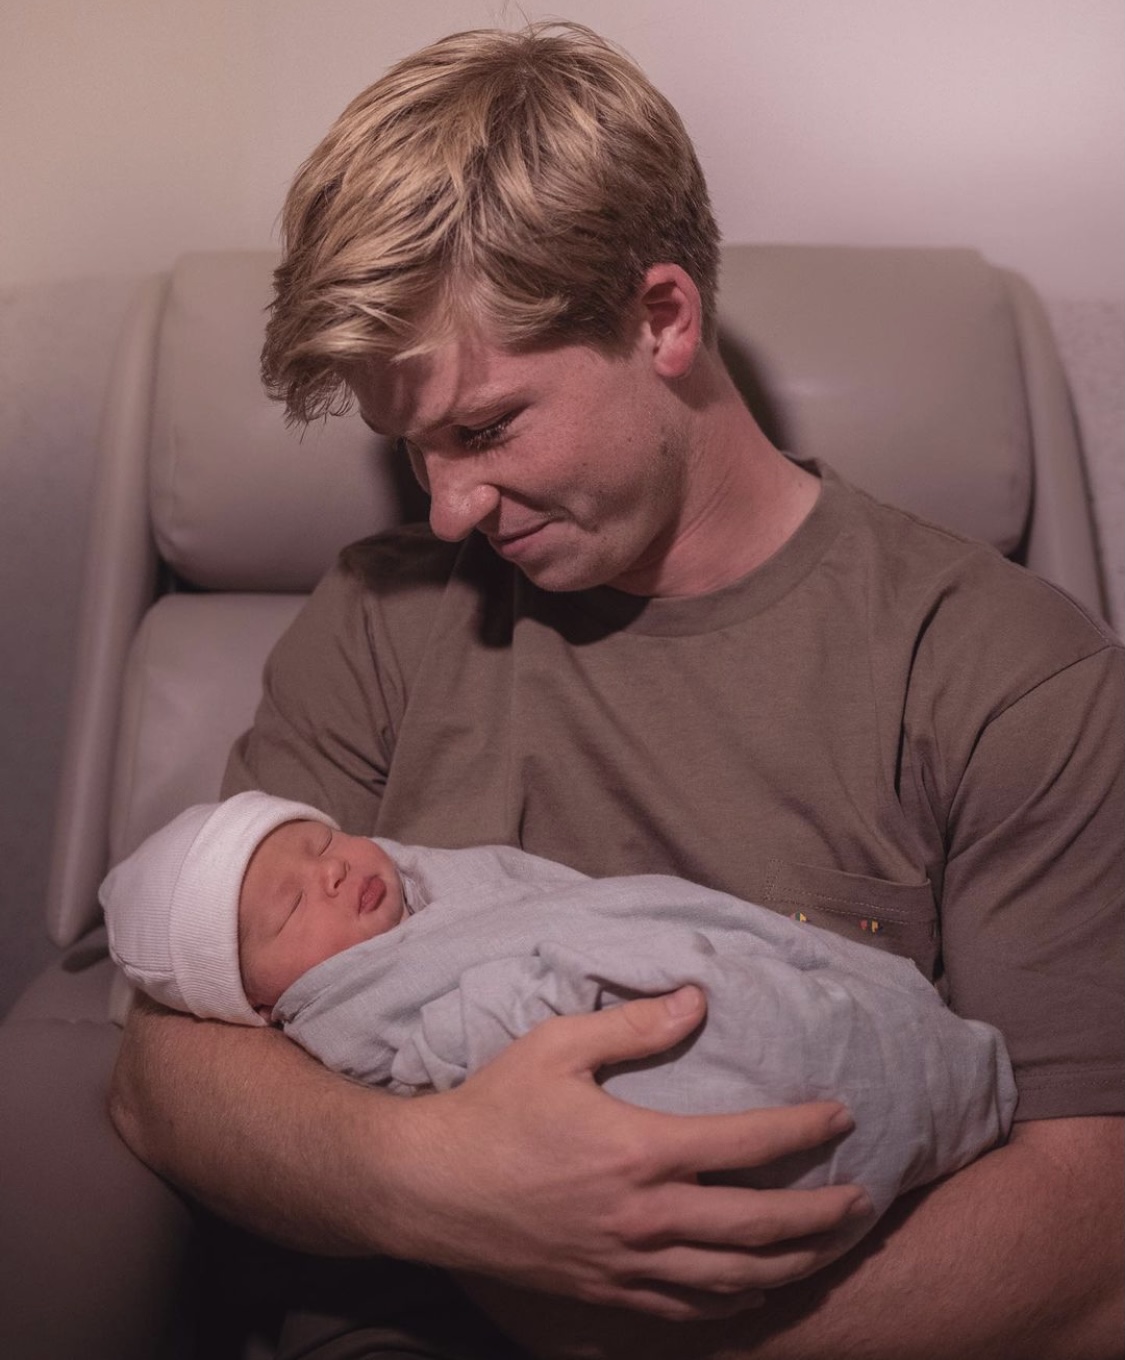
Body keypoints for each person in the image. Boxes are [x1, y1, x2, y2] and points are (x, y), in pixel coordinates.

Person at [108, 20, 1124, 1360]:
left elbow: (1090, 1224)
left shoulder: (1001, 672)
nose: (452, 507)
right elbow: (166, 1069)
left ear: (661, 317)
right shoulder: (379, 617)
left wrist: (624, 1317)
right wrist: (434, 1185)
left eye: (484, 429)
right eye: (413, 449)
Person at [100, 790, 1015, 1265]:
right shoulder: (339, 1016)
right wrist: (535, 1001)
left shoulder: (433, 885)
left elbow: (546, 900)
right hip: (580, 1071)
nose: (333, 875)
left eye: (322, 844)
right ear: (261, 1006)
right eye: (291, 905)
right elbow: (435, 1051)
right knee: (754, 1050)